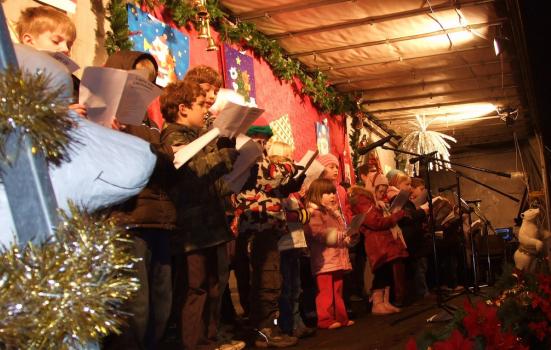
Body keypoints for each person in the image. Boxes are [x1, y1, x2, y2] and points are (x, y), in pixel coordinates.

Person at [102, 51, 176, 350]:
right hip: (128, 218)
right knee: (137, 306)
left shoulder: (150, 122)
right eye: (137, 79)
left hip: (159, 216)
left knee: (161, 300)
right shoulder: (106, 114)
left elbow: (165, 165)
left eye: (150, 81)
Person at [160, 79, 240, 350]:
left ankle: (210, 338)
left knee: (214, 286)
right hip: (192, 230)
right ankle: (195, 343)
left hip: (210, 225)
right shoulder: (173, 136)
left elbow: (213, 181)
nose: (205, 111)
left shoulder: (197, 135)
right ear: (182, 109)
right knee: (195, 289)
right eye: (200, 105)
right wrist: (225, 156)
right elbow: (193, 174)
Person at [231, 139, 300, 348]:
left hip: (266, 229)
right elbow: (271, 179)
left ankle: (269, 328)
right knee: (267, 280)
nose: (263, 145)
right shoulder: (252, 167)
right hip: (257, 228)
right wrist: (291, 167)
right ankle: (266, 331)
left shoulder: (259, 168)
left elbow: (277, 189)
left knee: (271, 280)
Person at [349, 173, 407, 315]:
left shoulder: (374, 202)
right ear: (372, 186)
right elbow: (375, 222)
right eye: (380, 190)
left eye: (384, 191)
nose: (382, 194)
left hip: (383, 240)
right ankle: (377, 303)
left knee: (386, 271)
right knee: (380, 272)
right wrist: (396, 215)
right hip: (376, 241)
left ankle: (384, 302)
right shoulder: (362, 199)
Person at [305, 178, 358, 329]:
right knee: (325, 292)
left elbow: (341, 234)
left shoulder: (333, 213)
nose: (332, 196)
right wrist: (341, 235)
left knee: (338, 290)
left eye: (332, 192)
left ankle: (341, 317)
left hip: (337, 258)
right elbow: (317, 233)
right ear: (317, 195)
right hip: (324, 261)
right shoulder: (314, 213)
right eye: (327, 193)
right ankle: (325, 319)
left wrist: (350, 237)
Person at [15, 5, 86, 118]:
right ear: (29, 41)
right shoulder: (15, 76)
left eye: (69, 45)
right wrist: (60, 116)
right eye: (56, 41)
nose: (66, 49)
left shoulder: (74, 82)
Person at [387, 170, 428, 305]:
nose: (410, 188)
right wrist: (422, 211)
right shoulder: (397, 198)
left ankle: (419, 294)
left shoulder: (402, 198)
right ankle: (420, 295)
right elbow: (405, 216)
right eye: (407, 184)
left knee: (417, 268)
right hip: (409, 238)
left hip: (412, 238)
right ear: (397, 184)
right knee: (416, 270)